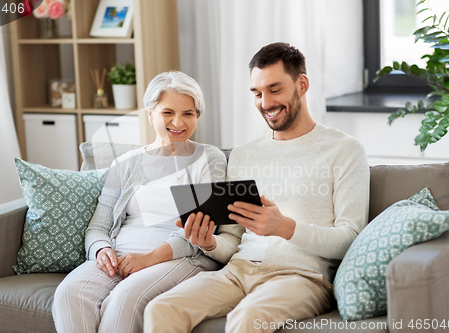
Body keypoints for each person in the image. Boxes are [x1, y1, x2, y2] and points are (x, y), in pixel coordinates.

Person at [143, 42, 370, 333]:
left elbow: (350, 238)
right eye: (258, 93)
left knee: (247, 317)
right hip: (238, 270)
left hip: (301, 277)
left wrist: (286, 227)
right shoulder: (244, 154)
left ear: (302, 84)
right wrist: (208, 242)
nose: (265, 103)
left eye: (275, 90)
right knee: (161, 308)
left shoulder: (345, 150)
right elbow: (232, 242)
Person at [52, 71, 240, 333]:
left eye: (188, 113)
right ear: (150, 113)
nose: (178, 122)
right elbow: (98, 227)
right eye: (167, 113)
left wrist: (149, 258)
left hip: (179, 258)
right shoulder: (124, 163)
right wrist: (101, 250)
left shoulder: (210, 158)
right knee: (69, 292)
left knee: (126, 297)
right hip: (120, 255)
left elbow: (198, 229)